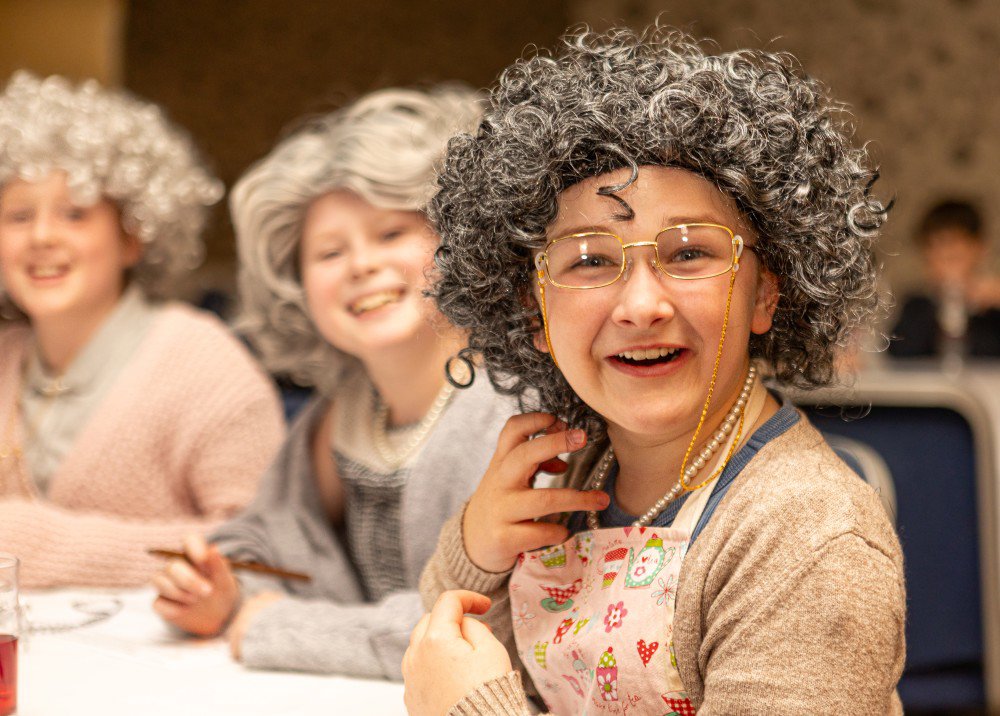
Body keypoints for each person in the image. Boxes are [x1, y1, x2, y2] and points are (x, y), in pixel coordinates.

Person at [403, 27, 906, 714]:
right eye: (588, 260)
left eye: (690, 252)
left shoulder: (810, 540)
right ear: (534, 312)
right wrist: (477, 554)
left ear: (767, 290)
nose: (642, 304)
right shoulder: (574, 476)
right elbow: (451, 657)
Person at [151, 86, 516, 679]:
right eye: (327, 253)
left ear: (462, 241)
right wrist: (219, 591)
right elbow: (254, 542)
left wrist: (273, 627)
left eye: (391, 233)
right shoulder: (336, 416)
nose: (360, 265)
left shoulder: (514, 410)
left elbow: (494, 628)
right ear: (295, 289)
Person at [0, 72, 285, 588]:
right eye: (18, 216)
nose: (42, 236)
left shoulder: (207, 367)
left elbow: (267, 554)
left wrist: (37, 546)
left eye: (75, 214)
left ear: (133, 236)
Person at [888, 199, 1000, 359]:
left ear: (980, 250)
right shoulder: (917, 306)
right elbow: (899, 352)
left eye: (954, 257)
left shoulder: (992, 309)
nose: (946, 268)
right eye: (936, 259)